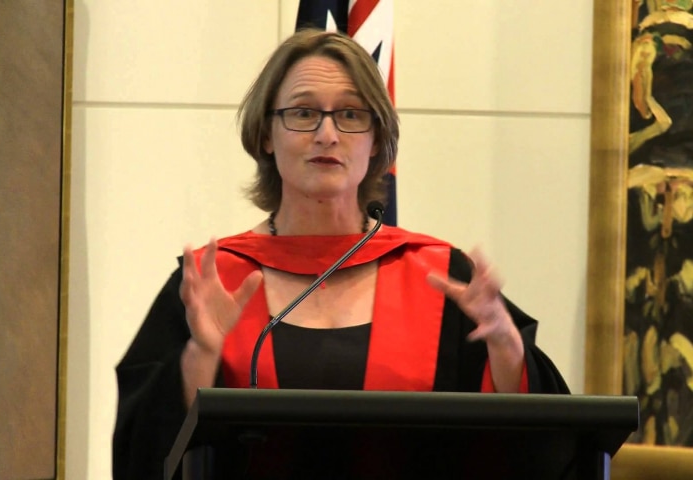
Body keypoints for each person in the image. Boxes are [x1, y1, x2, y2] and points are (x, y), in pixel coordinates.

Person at [112, 28, 569, 480]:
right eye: (303, 112)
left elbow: (539, 449)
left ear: (375, 142)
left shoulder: (440, 277)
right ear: (267, 134)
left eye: (351, 115)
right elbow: (144, 452)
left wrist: (507, 350)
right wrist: (202, 355)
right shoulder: (213, 280)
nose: (327, 134)